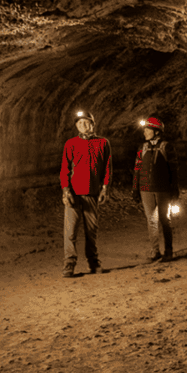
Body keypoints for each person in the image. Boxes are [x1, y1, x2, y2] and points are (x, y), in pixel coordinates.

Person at [60, 110, 112, 278]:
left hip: (92, 193)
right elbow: (64, 169)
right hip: (74, 194)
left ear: (92, 124)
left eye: (86, 122)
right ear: (76, 126)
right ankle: (69, 263)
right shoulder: (71, 143)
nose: (83, 125)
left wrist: (105, 188)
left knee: (91, 231)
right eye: (79, 123)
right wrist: (65, 190)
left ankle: (93, 262)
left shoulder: (103, 143)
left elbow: (107, 167)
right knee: (70, 231)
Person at [132, 114, 180, 263]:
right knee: (151, 220)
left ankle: (169, 251)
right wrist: (135, 188)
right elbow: (137, 169)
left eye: (148, 130)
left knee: (165, 219)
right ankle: (155, 251)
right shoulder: (143, 147)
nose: (145, 132)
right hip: (145, 189)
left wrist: (174, 187)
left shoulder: (167, 147)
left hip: (162, 189)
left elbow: (174, 169)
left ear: (157, 131)